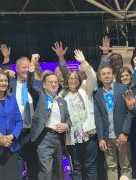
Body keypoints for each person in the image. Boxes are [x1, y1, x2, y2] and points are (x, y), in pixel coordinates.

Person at [53, 42, 98, 179]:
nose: (73, 80)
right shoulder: (61, 95)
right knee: (76, 168)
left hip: (88, 134)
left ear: (79, 80)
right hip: (71, 137)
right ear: (67, 81)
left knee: (90, 167)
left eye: (75, 78)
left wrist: (84, 62)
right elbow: (57, 114)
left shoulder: (86, 89)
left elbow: (92, 77)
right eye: (70, 78)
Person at [27, 56, 72, 180]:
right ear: (44, 85)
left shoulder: (62, 101)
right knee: (46, 171)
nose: (53, 84)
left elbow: (68, 119)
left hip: (58, 138)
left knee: (59, 171)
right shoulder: (40, 96)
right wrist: (32, 65)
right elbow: (30, 85)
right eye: (50, 82)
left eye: (55, 82)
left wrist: (66, 125)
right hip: (44, 137)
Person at [94, 63, 132, 180]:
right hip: (107, 137)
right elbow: (98, 117)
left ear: (113, 75)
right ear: (100, 77)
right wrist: (100, 138)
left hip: (121, 136)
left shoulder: (123, 89)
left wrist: (125, 133)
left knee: (125, 167)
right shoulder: (97, 94)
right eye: (103, 74)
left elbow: (129, 112)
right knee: (111, 167)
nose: (106, 76)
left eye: (108, 73)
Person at [9, 56, 39, 180]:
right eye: (23, 67)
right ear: (16, 69)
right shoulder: (9, 85)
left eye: (28, 67)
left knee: (34, 168)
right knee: (16, 169)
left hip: (33, 132)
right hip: (16, 133)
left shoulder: (37, 85)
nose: (26, 70)